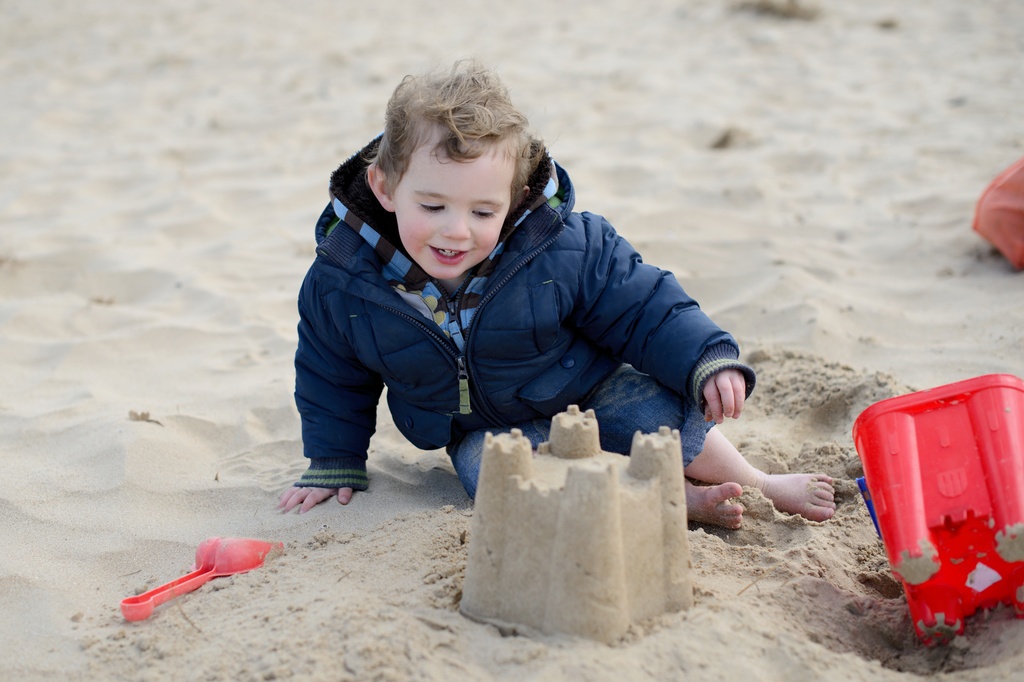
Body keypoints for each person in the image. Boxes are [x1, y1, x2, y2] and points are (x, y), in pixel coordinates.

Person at [278, 60, 835, 528]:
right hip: (483, 429)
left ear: (516, 196)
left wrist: (705, 359)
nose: (456, 231)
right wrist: (334, 459)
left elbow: (642, 305)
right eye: (432, 206)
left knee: (657, 411)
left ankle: (759, 483)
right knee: (494, 479)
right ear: (385, 187)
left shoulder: (564, 245)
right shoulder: (344, 279)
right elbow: (330, 373)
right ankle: (670, 501)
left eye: (483, 212)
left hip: (586, 390)